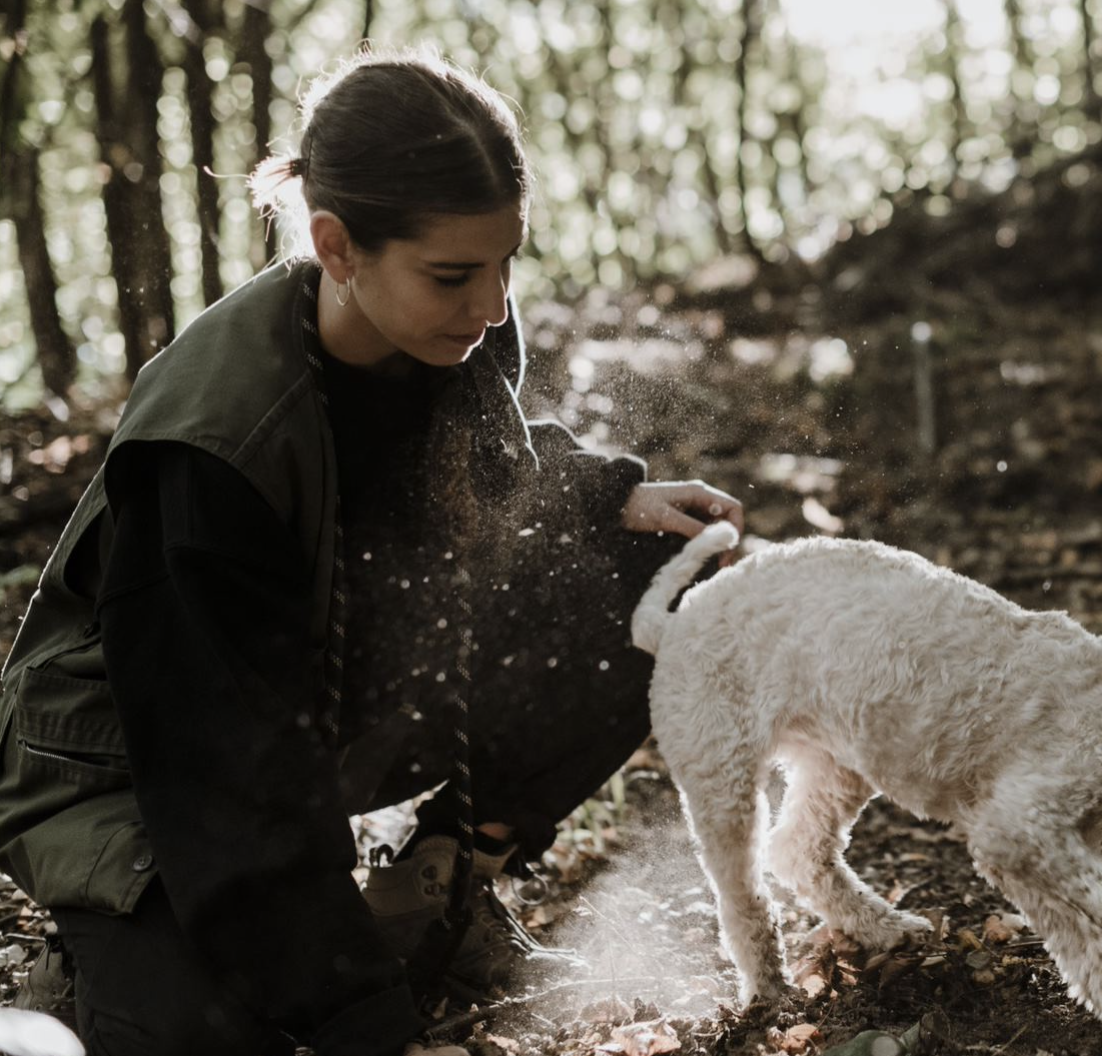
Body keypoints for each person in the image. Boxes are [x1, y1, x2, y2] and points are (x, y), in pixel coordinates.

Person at [0, 50, 743, 1056]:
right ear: (337, 245)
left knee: (668, 574)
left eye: (504, 265)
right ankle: (106, 952)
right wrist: (367, 1024)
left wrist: (612, 496)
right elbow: (223, 779)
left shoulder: (444, 324)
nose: (491, 306)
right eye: (455, 275)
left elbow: (477, 471)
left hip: (319, 702)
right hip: (143, 774)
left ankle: (434, 889)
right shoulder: (211, 454)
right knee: (218, 1029)